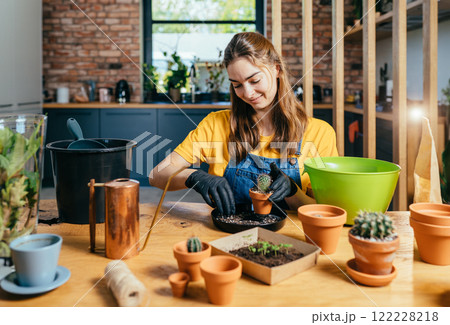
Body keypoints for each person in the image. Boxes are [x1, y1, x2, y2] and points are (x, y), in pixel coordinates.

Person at [149, 32, 338, 215]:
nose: (247, 93)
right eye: (237, 85)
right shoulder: (216, 124)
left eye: (254, 80)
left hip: (290, 240)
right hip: (226, 236)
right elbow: (156, 174)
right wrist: (194, 178)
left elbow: (327, 211)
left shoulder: (319, 133)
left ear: (276, 69)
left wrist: (293, 192)